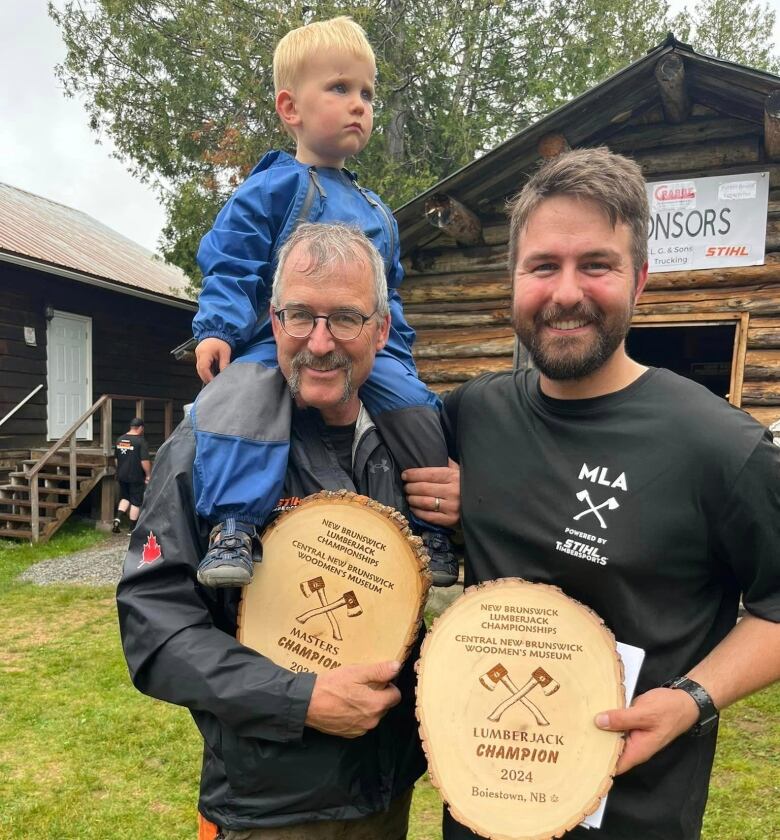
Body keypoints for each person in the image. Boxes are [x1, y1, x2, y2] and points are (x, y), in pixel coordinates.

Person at [437, 147, 780, 839]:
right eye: (542, 266)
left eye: (596, 264)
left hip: (634, 815)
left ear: (641, 280)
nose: (566, 292)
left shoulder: (718, 446)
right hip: (483, 804)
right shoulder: (472, 414)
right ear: (513, 280)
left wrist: (691, 700)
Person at [116, 224, 459, 839]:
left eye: (346, 319)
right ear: (273, 321)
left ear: (382, 330)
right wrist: (298, 699)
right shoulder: (207, 448)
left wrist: (473, 508)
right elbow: (154, 626)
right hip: (266, 810)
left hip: (387, 794)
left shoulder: (416, 446)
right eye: (299, 315)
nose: (319, 343)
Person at [189, 16, 457, 589]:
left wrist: (399, 357)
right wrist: (218, 327)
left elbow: (391, 299)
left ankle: (428, 530)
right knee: (242, 397)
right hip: (276, 341)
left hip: (366, 351)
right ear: (292, 108)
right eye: (340, 88)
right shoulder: (271, 188)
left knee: (416, 405)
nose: (358, 104)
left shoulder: (378, 211)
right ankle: (234, 525)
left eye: (366, 92)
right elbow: (232, 261)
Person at [112, 417, 150, 533]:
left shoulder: (120, 439)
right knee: (135, 501)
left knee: (125, 497)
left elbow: (116, 459)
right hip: (136, 476)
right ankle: (132, 529)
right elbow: (144, 461)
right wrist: (148, 475)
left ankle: (117, 520)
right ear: (140, 428)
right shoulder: (140, 441)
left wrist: (120, 470)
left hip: (122, 474)